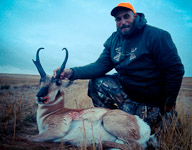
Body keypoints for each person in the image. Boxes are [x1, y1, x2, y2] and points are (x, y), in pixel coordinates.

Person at [54, 2, 184, 134]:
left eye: (126, 16)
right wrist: (71, 72)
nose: (123, 22)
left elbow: (175, 70)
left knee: (149, 133)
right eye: (118, 19)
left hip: (150, 98)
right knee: (96, 83)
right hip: (127, 93)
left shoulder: (157, 35)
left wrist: (169, 102)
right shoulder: (114, 39)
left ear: (135, 16)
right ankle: (111, 121)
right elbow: (99, 66)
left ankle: (163, 117)